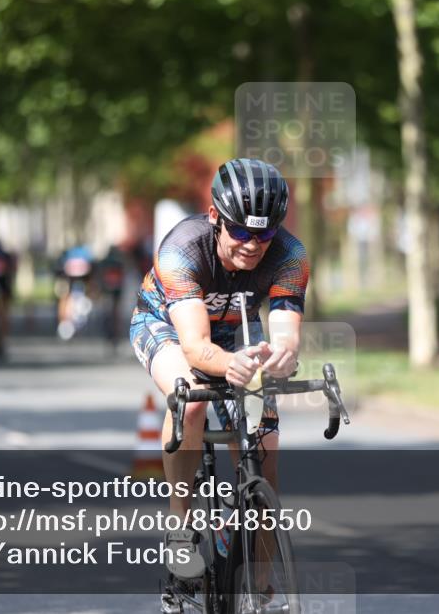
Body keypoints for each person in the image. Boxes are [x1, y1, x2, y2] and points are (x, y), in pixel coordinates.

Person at [129, 158, 308, 581]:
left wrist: (283, 355)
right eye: (241, 231)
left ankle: (261, 586)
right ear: (215, 217)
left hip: (235, 329)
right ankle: (179, 524)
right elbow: (195, 348)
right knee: (188, 397)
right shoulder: (181, 250)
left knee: (266, 457)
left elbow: (285, 336)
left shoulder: (290, 255)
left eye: (264, 233)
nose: (252, 244)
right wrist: (233, 365)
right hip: (167, 325)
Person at [53, 243, 96, 339]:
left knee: (65, 297)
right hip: (78, 278)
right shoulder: (85, 253)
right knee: (66, 296)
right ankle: (66, 322)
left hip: (73, 278)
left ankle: (65, 322)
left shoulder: (71, 254)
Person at [97, 244, 126, 349]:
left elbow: (100, 275)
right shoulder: (119, 262)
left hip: (107, 288)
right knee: (115, 312)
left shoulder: (105, 262)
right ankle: (115, 333)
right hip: (117, 290)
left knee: (107, 311)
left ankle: (109, 332)